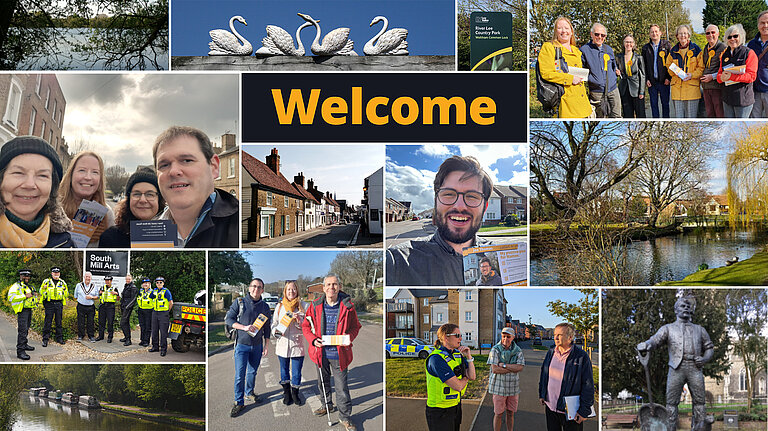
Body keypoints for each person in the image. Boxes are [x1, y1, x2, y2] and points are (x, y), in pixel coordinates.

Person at [387, 156, 495, 286]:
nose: (460, 206)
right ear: (436, 201)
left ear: (485, 207)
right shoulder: (396, 262)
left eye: (472, 196)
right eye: (449, 194)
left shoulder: (501, 256)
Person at [152, 126, 239, 248]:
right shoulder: (148, 233)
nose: (173, 171)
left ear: (214, 167)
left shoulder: (238, 225)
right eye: (164, 165)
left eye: (187, 160)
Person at [637, 295, 713, 430]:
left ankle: (699, 428)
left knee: (699, 402)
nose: (686, 308)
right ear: (676, 310)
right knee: (671, 403)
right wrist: (646, 344)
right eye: (682, 306)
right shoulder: (668, 328)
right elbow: (655, 340)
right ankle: (670, 428)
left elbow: (709, 348)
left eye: (688, 306)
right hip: (676, 368)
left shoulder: (699, 329)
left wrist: (705, 359)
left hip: (695, 368)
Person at [302, 274, 362, 431]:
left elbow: (356, 326)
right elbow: (306, 326)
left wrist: (348, 338)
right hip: (320, 353)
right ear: (323, 288)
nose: (331, 287)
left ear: (339, 287)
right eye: (328, 284)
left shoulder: (348, 306)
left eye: (334, 284)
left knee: (342, 388)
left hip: (339, 355)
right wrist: (313, 340)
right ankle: (326, 405)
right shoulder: (314, 306)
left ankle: (345, 417)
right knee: (323, 383)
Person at [0, 136, 74, 248]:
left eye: (42, 175)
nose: (29, 185)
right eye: (18, 173)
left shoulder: (66, 244)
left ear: (52, 187)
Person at [226, 278, 271, 417]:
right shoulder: (240, 302)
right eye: (254, 286)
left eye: (259, 287)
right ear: (249, 287)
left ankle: (249, 393)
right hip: (242, 345)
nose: (256, 289)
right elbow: (229, 319)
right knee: (240, 375)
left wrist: (266, 345)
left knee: (252, 372)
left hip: (257, 346)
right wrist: (244, 327)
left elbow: (267, 328)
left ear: (262, 290)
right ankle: (239, 402)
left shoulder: (265, 307)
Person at [539, 323, 594, 431]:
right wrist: (542, 393)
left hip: (571, 411)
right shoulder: (551, 352)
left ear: (570, 337)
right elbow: (544, 374)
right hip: (551, 407)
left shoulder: (581, 357)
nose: (555, 337)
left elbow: (588, 385)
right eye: (555, 334)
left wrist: (584, 411)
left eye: (559, 335)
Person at [536, 16, 592, 118]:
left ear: (571, 32)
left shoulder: (577, 50)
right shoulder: (549, 47)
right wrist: (570, 79)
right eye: (560, 28)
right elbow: (546, 73)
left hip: (582, 102)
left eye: (566, 28)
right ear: (555, 32)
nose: (564, 31)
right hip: (564, 102)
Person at [424, 323, 476, 431]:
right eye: (457, 335)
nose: (460, 338)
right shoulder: (436, 359)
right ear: (445, 337)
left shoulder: (457, 354)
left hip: (455, 406)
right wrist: (465, 377)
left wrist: (469, 356)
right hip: (439, 411)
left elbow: (473, 376)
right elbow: (458, 386)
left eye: (460, 335)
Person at [58, 151, 115, 247]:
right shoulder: (52, 208)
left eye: (95, 172)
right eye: (82, 170)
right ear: (71, 174)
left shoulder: (107, 214)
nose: (88, 177)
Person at [99, 168, 165, 248]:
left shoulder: (176, 235)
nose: (143, 200)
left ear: (159, 200)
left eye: (150, 194)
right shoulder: (110, 238)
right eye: (137, 194)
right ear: (128, 199)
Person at [271, 280, 309, 406]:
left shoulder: (303, 305)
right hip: (282, 344)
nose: (291, 291)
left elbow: (308, 326)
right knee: (284, 370)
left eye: (293, 289)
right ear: (285, 291)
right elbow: (274, 324)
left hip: (297, 344)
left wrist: (299, 320)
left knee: (297, 372)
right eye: (289, 289)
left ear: (297, 290)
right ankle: (286, 393)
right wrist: (275, 331)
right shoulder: (280, 306)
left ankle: (295, 393)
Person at [581, 23, 622, 118]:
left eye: (602, 35)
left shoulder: (609, 49)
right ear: (591, 34)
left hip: (613, 89)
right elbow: (581, 70)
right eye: (597, 34)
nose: (600, 37)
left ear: (605, 36)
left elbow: (613, 65)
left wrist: (615, 73)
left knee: (617, 116)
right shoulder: (584, 50)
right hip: (596, 92)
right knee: (600, 118)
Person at [717, 24, 758, 118]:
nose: (732, 39)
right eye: (729, 37)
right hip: (727, 98)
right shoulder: (724, 54)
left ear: (741, 36)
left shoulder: (749, 53)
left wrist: (731, 77)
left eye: (735, 36)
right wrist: (721, 78)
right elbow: (719, 75)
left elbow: (752, 76)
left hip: (742, 100)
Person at [488, 327, 524, 431]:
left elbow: (520, 367)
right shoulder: (495, 349)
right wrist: (513, 368)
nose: (505, 339)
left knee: (510, 413)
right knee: (498, 414)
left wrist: (503, 365)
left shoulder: (518, 351)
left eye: (508, 336)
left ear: (513, 337)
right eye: (503, 336)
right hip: (499, 387)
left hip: (513, 387)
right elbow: (495, 369)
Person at [666, 24, 703, 118]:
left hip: (692, 91)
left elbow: (701, 68)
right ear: (677, 36)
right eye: (680, 33)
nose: (683, 36)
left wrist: (692, 75)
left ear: (689, 35)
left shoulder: (696, 49)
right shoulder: (673, 51)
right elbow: (668, 66)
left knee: (691, 119)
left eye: (685, 33)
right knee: (679, 119)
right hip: (677, 92)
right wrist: (675, 71)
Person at [642, 24, 673, 118]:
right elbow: (644, 65)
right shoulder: (645, 48)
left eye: (656, 31)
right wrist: (647, 79)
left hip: (664, 81)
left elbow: (671, 63)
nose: (654, 33)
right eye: (652, 32)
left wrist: (668, 78)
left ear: (660, 33)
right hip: (652, 82)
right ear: (649, 34)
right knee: (654, 105)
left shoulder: (667, 45)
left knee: (665, 105)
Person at [6, 269, 38, 360]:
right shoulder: (15, 286)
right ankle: (20, 351)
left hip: (28, 310)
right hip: (22, 311)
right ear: (21, 276)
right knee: (22, 331)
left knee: (27, 328)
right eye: (25, 276)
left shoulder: (27, 286)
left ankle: (24, 344)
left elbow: (30, 296)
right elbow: (11, 297)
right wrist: (24, 296)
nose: (27, 278)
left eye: (28, 276)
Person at [698, 24, 727, 118]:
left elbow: (726, 69)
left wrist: (712, 76)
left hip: (717, 87)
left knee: (719, 114)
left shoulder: (723, 47)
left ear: (718, 34)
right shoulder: (705, 48)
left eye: (713, 32)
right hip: (706, 87)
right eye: (707, 33)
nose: (710, 35)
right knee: (709, 114)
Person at [616, 34, 646, 118]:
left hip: (636, 90)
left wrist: (642, 91)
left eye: (630, 42)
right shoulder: (619, 57)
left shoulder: (638, 58)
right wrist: (617, 72)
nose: (628, 44)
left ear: (633, 44)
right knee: (627, 115)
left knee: (641, 115)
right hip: (624, 89)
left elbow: (643, 75)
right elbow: (616, 70)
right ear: (623, 43)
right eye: (626, 42)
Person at [40, 266, 68, 347]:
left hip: (59, 304)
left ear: (59, 274)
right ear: (52, 274)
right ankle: (45, 339)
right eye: (55, 273)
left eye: (57, 273)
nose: (56, 274)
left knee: (59, 321)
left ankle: (59, 338)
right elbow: (40, 291)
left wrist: (63, 290)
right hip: (49, 304)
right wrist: (44, 288)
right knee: (48, 322)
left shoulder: (62, 283)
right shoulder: (46, 282)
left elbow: (66, 293)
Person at [748, 10, 768, 117]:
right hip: (754, 90)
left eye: (767, 22)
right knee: (754, 118)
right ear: (758, 25)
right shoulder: (751, 44)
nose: (765, 25)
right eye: (762, 23)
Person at [149, 276, 173, 356]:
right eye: (157, 282)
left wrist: (167, 311)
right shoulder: (154, 291)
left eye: (160, 282)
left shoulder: (166, 291)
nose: (159, 284)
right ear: (155, 283)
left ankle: (163, 349)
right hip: (155, 313)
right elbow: (150, 298)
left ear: (163, 283)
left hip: (163, 314)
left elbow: (171, 302)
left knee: (163, 333)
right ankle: (155, 347)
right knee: (154, 331)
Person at [74, 271, 98, 342]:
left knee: (90, 322)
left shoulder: (94, 286)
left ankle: (91, 336)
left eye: (89, 277)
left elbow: (97, 296)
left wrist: (92, 297)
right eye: (86, 276)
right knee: (80, 321)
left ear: (91, 278)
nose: (88, 278)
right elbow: (75, 296)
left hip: (90, 307)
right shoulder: (79, 285)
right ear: (84, 277)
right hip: (81, 306)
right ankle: (81, 335)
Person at [96, 275, 118, 342]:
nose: (107, 282)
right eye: (106, 280)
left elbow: (118, 298)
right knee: (101, 321)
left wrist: (116, 294)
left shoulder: (114, 288)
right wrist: (99, 293)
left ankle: (110, 337)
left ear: (111, 281)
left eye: (108, 280)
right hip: (102, 306)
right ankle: (101, 336)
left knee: (110, 322)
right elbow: (99, 296)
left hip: (110, 306)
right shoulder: (102, 287)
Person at [118, 273, 138, 346]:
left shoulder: (133, 287)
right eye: (126, 279)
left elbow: (133, 299)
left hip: (128, 307)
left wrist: (127, 307)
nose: (127, 280)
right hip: (123, 306)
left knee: (123, 323)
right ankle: (126, 337)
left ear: (131, 279)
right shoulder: (126, 286)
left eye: (129, 279)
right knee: (126, 323)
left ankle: (128, 340)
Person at [135, 277, 154, 347]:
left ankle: (146, 341)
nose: (145, 285)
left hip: (149, 310)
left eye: (146, 283)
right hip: (141, 310)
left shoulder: (152, 292)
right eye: (144, 283)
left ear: (149, 284)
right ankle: (142, 340)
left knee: (148, 326)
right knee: (142, 325)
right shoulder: (141, 291)